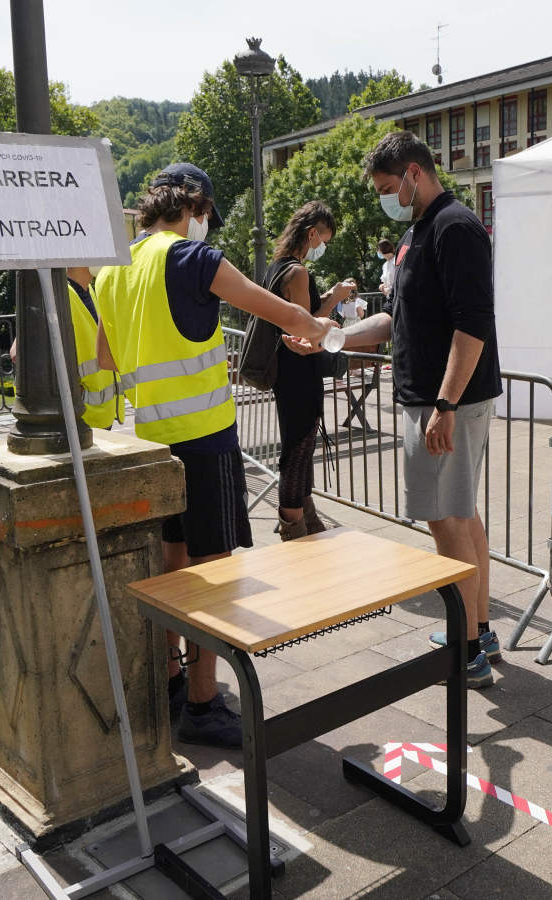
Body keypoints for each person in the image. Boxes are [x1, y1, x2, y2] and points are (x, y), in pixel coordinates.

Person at [94, 163, 335, 747]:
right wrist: (315, 329)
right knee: (214, 571)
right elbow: (270, 306)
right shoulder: (192, 258)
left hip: (152, 438)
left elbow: (104, 358)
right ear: (194, 208)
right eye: (207, 217)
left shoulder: (113, 270)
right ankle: (204, 702)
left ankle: (173, 675)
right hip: (205, 439)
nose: (208, 227)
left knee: (172, 562)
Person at [341, 132, 503, 688]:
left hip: (446, 401)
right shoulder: (420, 230)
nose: (388, 197)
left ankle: (468, 646)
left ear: (414, 172)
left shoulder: (454, 227)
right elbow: (397, 319)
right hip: (438, 399)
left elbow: (473, 321)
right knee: (460, 514)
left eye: (390, 187)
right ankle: (478, 630)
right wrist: (336, 337)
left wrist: (445, 404)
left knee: (446, 520)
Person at [265, 201, 357, 539]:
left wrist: (332, 295)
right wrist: (327, 322)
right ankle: (294, 527)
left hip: (285, 371)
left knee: (298, 444)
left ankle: (306, 517)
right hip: (300, 371)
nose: (323, 247)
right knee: (299, 449)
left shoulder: (277, 267)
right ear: (312, 233)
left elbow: (300, 314)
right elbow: (306, 324)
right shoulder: (298, 271)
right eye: (324, 240)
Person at [8, 266, 120, 430]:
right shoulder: (55, 294)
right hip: (76, 419)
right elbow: (17, 353)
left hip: (98, 416)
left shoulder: (90, 291)